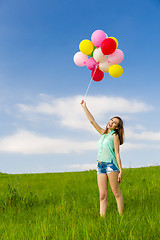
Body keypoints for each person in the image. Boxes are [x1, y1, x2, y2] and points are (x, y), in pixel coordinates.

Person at [80, 100, 124, 217]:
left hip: (111, 165)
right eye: (111, 120)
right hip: (100, 166)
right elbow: (92, 121)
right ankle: (102, 219)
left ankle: (121, 217)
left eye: (115, 123)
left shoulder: (114, 136)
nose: (111, 122)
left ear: (117, 127)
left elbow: (117, 154)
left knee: (116, 193)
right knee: (102, 195)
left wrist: (120, 171)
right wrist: (84, 107)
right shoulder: (103, 133)